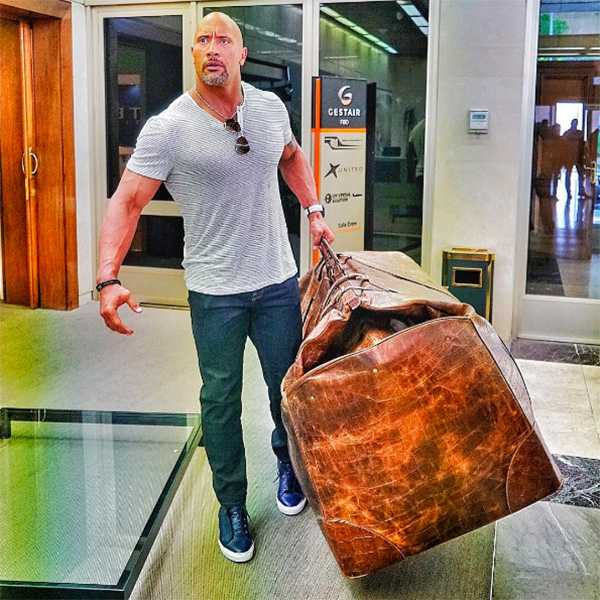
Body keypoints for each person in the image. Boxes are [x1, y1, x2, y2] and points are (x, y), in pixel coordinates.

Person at [96, 12, 335, 564]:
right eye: (202, 40)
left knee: (290, 387)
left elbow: (293, 157)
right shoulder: (168, 128)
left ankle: (287, 463)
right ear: (194, 54)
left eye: (222, 40)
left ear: (242, 54)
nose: (211, 49)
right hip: (215, 292)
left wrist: (315, 209)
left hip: (276, 280)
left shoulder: (271, 110)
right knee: (221, 403)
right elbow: (127, 201)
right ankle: (231, 503)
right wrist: (109, 276)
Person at [562, 118, 585, 199]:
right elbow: (563, 146)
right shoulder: (567, 133)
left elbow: (582, 145)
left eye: (576, 123)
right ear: (571, 123)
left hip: (578, 157)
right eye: (574, 123)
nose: (575, 124)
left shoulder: (580, 133)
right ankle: (568, 192)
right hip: (569, 157)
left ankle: (581, 191)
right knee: (568, 175)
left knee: (581, 175)